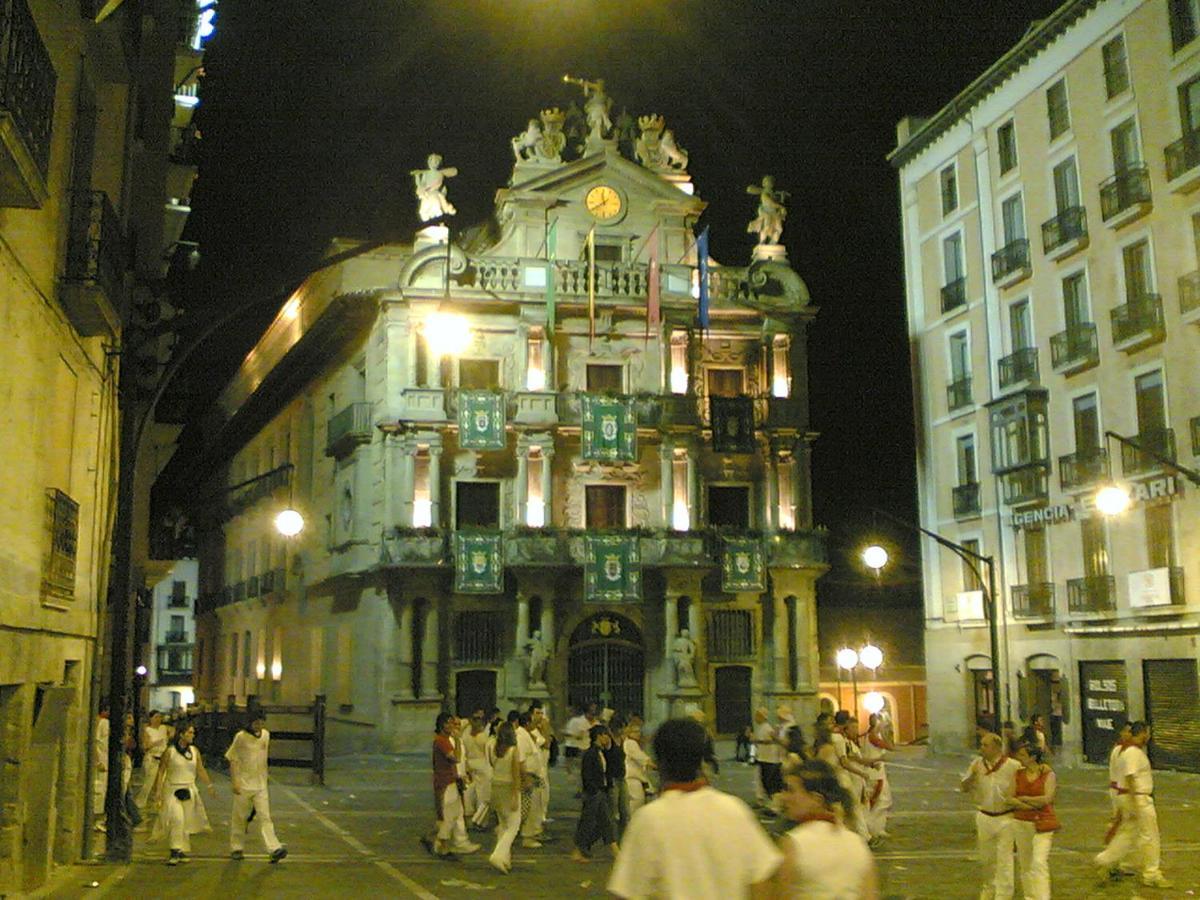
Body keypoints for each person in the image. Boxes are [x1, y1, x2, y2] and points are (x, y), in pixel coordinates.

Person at [608, 718, 782, 899]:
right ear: (702, 759)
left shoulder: (649, 820)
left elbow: (628, 891)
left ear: (660, 762)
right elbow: (764, 880)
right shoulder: (734, 810)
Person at [774, 759, 879, 899]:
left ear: (816, 800)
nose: (784, 797)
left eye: (791, 790)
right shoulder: (857, 843)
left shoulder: (794, 843)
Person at [1094, 721, 1171, 889]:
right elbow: (1130, 777)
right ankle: (1151, 873)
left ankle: (1105, 859)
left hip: (1129, 797)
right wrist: (1136, 802)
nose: (1149, 736)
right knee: (1149, 836)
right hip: (1138, 798)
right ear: (1142, 733)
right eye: (1147, 733)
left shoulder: (1125, 751)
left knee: (1127, 833)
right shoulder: (1133, 753)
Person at [960, 732, 1021, 899]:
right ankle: (988, 891)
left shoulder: (1013, 766)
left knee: (1005, 859)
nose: (981, 748)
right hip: (984, 816)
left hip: (1006, 817)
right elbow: (963, 787)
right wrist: (971, 777)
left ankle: (1004, 895)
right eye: (981, 745)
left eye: (985, 745)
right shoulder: (976, 764)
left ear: (996, 747)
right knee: (986, 859)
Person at [225, 712, 287, 863]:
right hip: (244, 784)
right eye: (255, 723)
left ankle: (274, 848)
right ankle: (236, 847)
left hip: (261, 786)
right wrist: (235, 782)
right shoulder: (241, 737)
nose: (259, 726)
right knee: (240, 817)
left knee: (265, 816)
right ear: (249, 723)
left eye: (261, 722)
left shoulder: (265, 735)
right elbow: (232, 758)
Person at [150, 723, 214, 865]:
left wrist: (209, 785)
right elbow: (161, 771)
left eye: (193, 732)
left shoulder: (194, 751)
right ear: (181, 734)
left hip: (189, 788)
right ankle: (174, 850)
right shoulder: (170, 751)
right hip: (172, 789)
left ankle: (181, 850)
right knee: (176, 819)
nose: (192, 735)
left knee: (185, 821)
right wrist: (158, 791)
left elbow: (200, 769)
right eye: (189, 732)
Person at [424, 712, 479, 859]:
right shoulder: (442, 741)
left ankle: (437, 840)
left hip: (451, 780)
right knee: (449, 814)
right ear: (441, 725)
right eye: (447, 723)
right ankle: (440, 845)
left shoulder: (444, 740)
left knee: (453, 813)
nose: (450, 726)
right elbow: (456, 758)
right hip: (445, 782)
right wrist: (457, 740)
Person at [1011, 740, 1058, 900]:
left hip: (1043, 822)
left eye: (1023, 755)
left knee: (1039, 862)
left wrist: (1024, 799)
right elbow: (1011, 798)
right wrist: (1032, 803)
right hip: (1021, 821)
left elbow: (1047, 799)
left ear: (1032, 757)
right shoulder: (1017, 773)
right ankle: (1030, 896)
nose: (1019, 757)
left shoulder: (1048, 774)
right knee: (1025, 863)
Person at [571, 725, 619, 862]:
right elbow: (586, 775)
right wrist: (594, 789)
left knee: (604, 822)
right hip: (594, 793)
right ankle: (580, 850)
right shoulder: (590, 754)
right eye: (606, 735)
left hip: (600, 791)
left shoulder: (602, 752)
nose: (608, 738)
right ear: (599, 736)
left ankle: (583, 849)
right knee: (590, 822)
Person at [487, 722, 523, 874]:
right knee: (514, 825)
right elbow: (516, 774)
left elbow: (491, 764)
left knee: (502, 823)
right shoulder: (514, 750)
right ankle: (498, 855)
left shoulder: (492, 747)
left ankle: (505, 859)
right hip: (509, 787)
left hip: (495, 785)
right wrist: (516, 795)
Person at [860, 713, 894, 842]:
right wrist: (887, 733)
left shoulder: (870, 735)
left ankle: (878, 827)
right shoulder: (872, 736)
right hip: (875, 772)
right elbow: (889, 747)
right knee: (880, 799)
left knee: (882, 799)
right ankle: (872, 826)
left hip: (877, 771)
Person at [1104, 721, 1134, 850]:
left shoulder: (1126, 749)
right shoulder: (1120, 750)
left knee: (1122, 823)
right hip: (1119, 790)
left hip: (1119, 789)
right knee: (1121, 823)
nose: (1129, 734)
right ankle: (1111, 851)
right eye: (1127, 731)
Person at [462, 710, 493, 827]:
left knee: (474, 793)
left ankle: (474, 819)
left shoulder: (467, 734)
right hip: (480, 764)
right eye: (476, 718)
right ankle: (478, 821)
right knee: (479, 794)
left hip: (472, 764)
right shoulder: (482, 736)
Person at [136, 711, 171, 809]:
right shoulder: (147, 730)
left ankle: (158, 800)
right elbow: (145, 746)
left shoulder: (163, 728)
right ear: (151, 718)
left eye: (160, 717)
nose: (158, 719)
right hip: (152, 757)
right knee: (148, 782)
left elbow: (172, 732)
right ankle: (141, 802)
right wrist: (155, 743)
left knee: (162, 781)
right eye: (156, 717)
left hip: (163, 757)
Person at [624, 719, 655, 816]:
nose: (638, 734)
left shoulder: (633, 743)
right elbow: (643, 759)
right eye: (635, 731)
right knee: (637, 805)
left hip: (637, 778)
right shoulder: (630, 743)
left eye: (639, 731)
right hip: (632, 779)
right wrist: (658, 766)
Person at [752, 708, 782, 808]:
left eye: (757, 716)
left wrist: (757, 741)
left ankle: (774, 803)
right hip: (763, 758)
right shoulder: (761, 727)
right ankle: (764, 800)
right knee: (762, 780)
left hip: (769, 759)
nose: (755, 718)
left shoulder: (767, 728)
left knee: (769, 782)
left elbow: (773, 740)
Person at [606, 716, 630, 839]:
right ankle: (612, 837)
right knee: (613, 810)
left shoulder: (622, 739)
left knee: (625, 810)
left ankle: (624, 836)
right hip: (612, 778)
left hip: (621, 777)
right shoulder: (609, 740)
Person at [563, 705, 591, 780]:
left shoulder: (581, 721)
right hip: (571, 744)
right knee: (570, 763)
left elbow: (580, 735)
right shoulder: (572, 720)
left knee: (577, 764)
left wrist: (569, 735)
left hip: (577, 745)